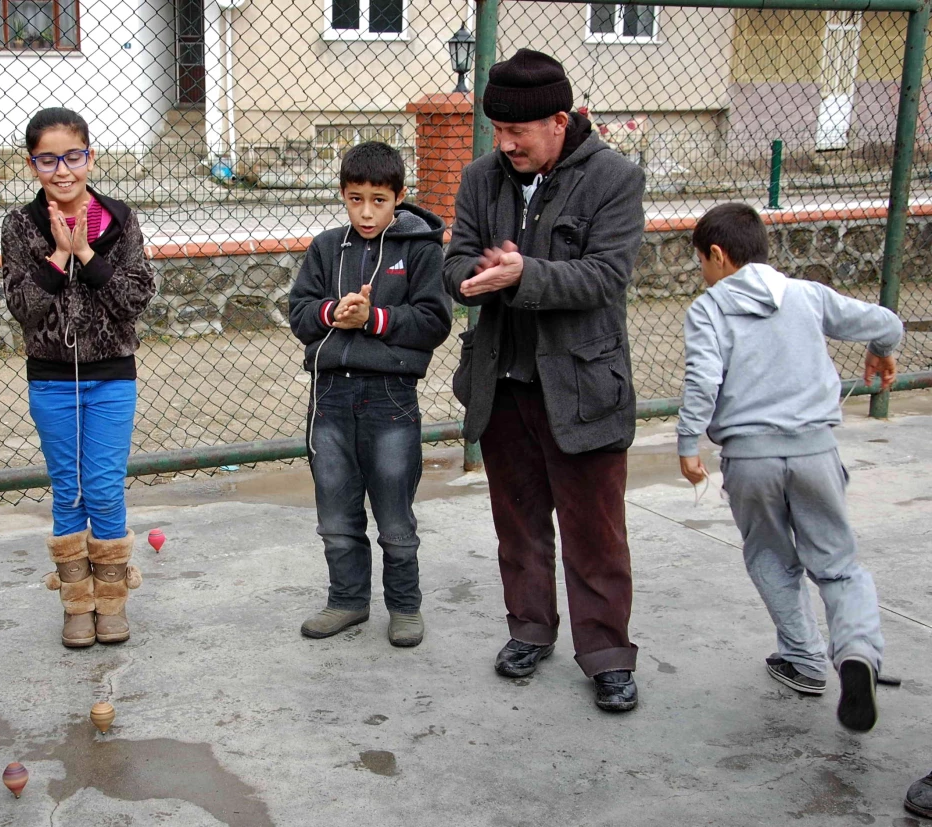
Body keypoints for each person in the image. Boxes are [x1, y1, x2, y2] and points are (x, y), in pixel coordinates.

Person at [443, 50, 645, 711]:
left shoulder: (615, 179)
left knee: (595, 531)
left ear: (559, 121)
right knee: (519, 521)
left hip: (582, 387)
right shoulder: (481, 178)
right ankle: (529, 629)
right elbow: (453, 263)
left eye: (517, 133)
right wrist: (472, 276)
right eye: (496, 130)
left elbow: (605, 275)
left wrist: (524, 274)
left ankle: (608, 654)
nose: (504, 145)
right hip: (503, 382)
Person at [677, 202, 902, 732]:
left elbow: (703, 381)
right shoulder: (806, 294)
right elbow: (885, 321)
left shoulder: (708, 309)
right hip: (815, 452)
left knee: (771, 557)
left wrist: (689, 444)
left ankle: (802, 660)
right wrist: (882, 351)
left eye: (701, 265)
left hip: (749, 460)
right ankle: (857, 655)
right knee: (839, 564)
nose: (703, 276)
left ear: (717, 255)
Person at [1, 108, 156, 648]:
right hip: (51, 380)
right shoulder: (21, 225)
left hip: (111, 377)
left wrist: (85, 253)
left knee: (105, 490)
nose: (61, 170)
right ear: (33, 164)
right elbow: (23, 307)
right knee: (68, 493)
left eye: (72, 156)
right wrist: (56, 256)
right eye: (48, 159)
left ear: (89, 157)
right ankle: (76, 605)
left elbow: (133, 300)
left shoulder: (120, 218)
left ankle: (110, 603)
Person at [289, 141, 451, 647]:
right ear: (342, 194)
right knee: (336, 514)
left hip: (391, 398)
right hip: (331, 397)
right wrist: (329, 313)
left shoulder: (420, 249)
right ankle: (347, 601)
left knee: (395, 517)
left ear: (399, 197)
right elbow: (299, 311)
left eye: (378, 200)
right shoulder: (326, 247)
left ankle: (405, 606)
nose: (365, 211)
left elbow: (433, 321)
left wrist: (375, 318)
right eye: (355, 198)